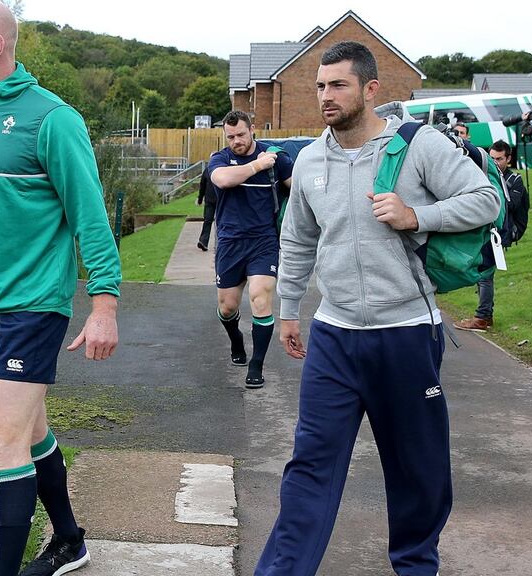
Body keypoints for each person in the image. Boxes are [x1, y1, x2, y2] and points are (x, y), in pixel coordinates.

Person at [258, 41, 499, 576]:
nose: (326, 96)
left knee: (417, 469)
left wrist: (418, 215)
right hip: (335, 336)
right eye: (320, 86)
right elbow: (297, 240)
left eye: (338, 85)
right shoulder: (312, 159)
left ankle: (416, 565)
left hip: (406, 332)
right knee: (310, 467)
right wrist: (289, 308)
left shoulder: (418, 146)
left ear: (370, 90)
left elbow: (485, 199)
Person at [0, 2, 121, 575]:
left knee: (1, 440)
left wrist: (104, 306)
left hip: (33, 306)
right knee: (30, 430)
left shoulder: (52, 119)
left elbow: (90, 217)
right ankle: (69, 540)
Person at [208, 110, 293, 388]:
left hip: (263, 241)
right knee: (227, 306)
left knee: (260, 298)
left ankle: (256, 365)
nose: (236, 141)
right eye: (230, 136)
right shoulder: (219, 159)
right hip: (230, 243)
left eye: (241, 134)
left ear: (253, 129)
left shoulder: (275, 157)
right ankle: (236, 340)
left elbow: (298, 188)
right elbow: (222, 180)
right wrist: (257, 166)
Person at [454, 140, 526, 332]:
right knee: (481, 272)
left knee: (485, 274)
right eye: (492, 158)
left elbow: (508, 206)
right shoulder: (489, 176)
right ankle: (485, 313)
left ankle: (483, 316)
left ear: (508, 159)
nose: (495, 162)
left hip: (505, 231)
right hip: (492, 229)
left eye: (499, 159)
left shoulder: (514, 180)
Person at [196, 162, 216, 251]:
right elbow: (202, 185)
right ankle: (203, 242)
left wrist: (200, 199)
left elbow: (202, 185)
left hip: (214, 199)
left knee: (208, 221)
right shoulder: (209, 170)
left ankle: (204, 241)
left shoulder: (207, 170)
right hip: (212, 200)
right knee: (208, 220)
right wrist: (200, 199)